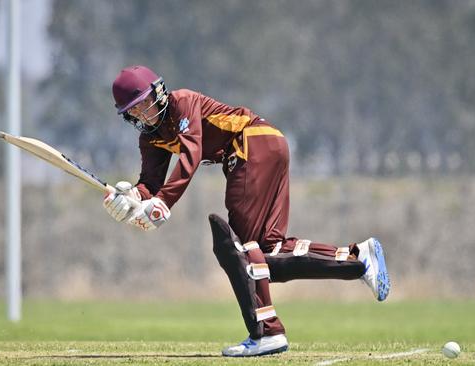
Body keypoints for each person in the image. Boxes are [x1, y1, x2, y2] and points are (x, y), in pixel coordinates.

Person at [103, 65, 391, 357]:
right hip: (265, 146)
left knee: (240, 249)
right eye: (133, 113)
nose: (142, 115)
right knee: (266, 255)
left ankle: (268, 333)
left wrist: (163, 201)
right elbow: (149, 182)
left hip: (252, 142)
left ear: (158, 92)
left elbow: (191, 153)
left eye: (143, 105)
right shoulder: (150, 138)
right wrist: (130, 198)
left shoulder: (183, 102)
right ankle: (357, 259)